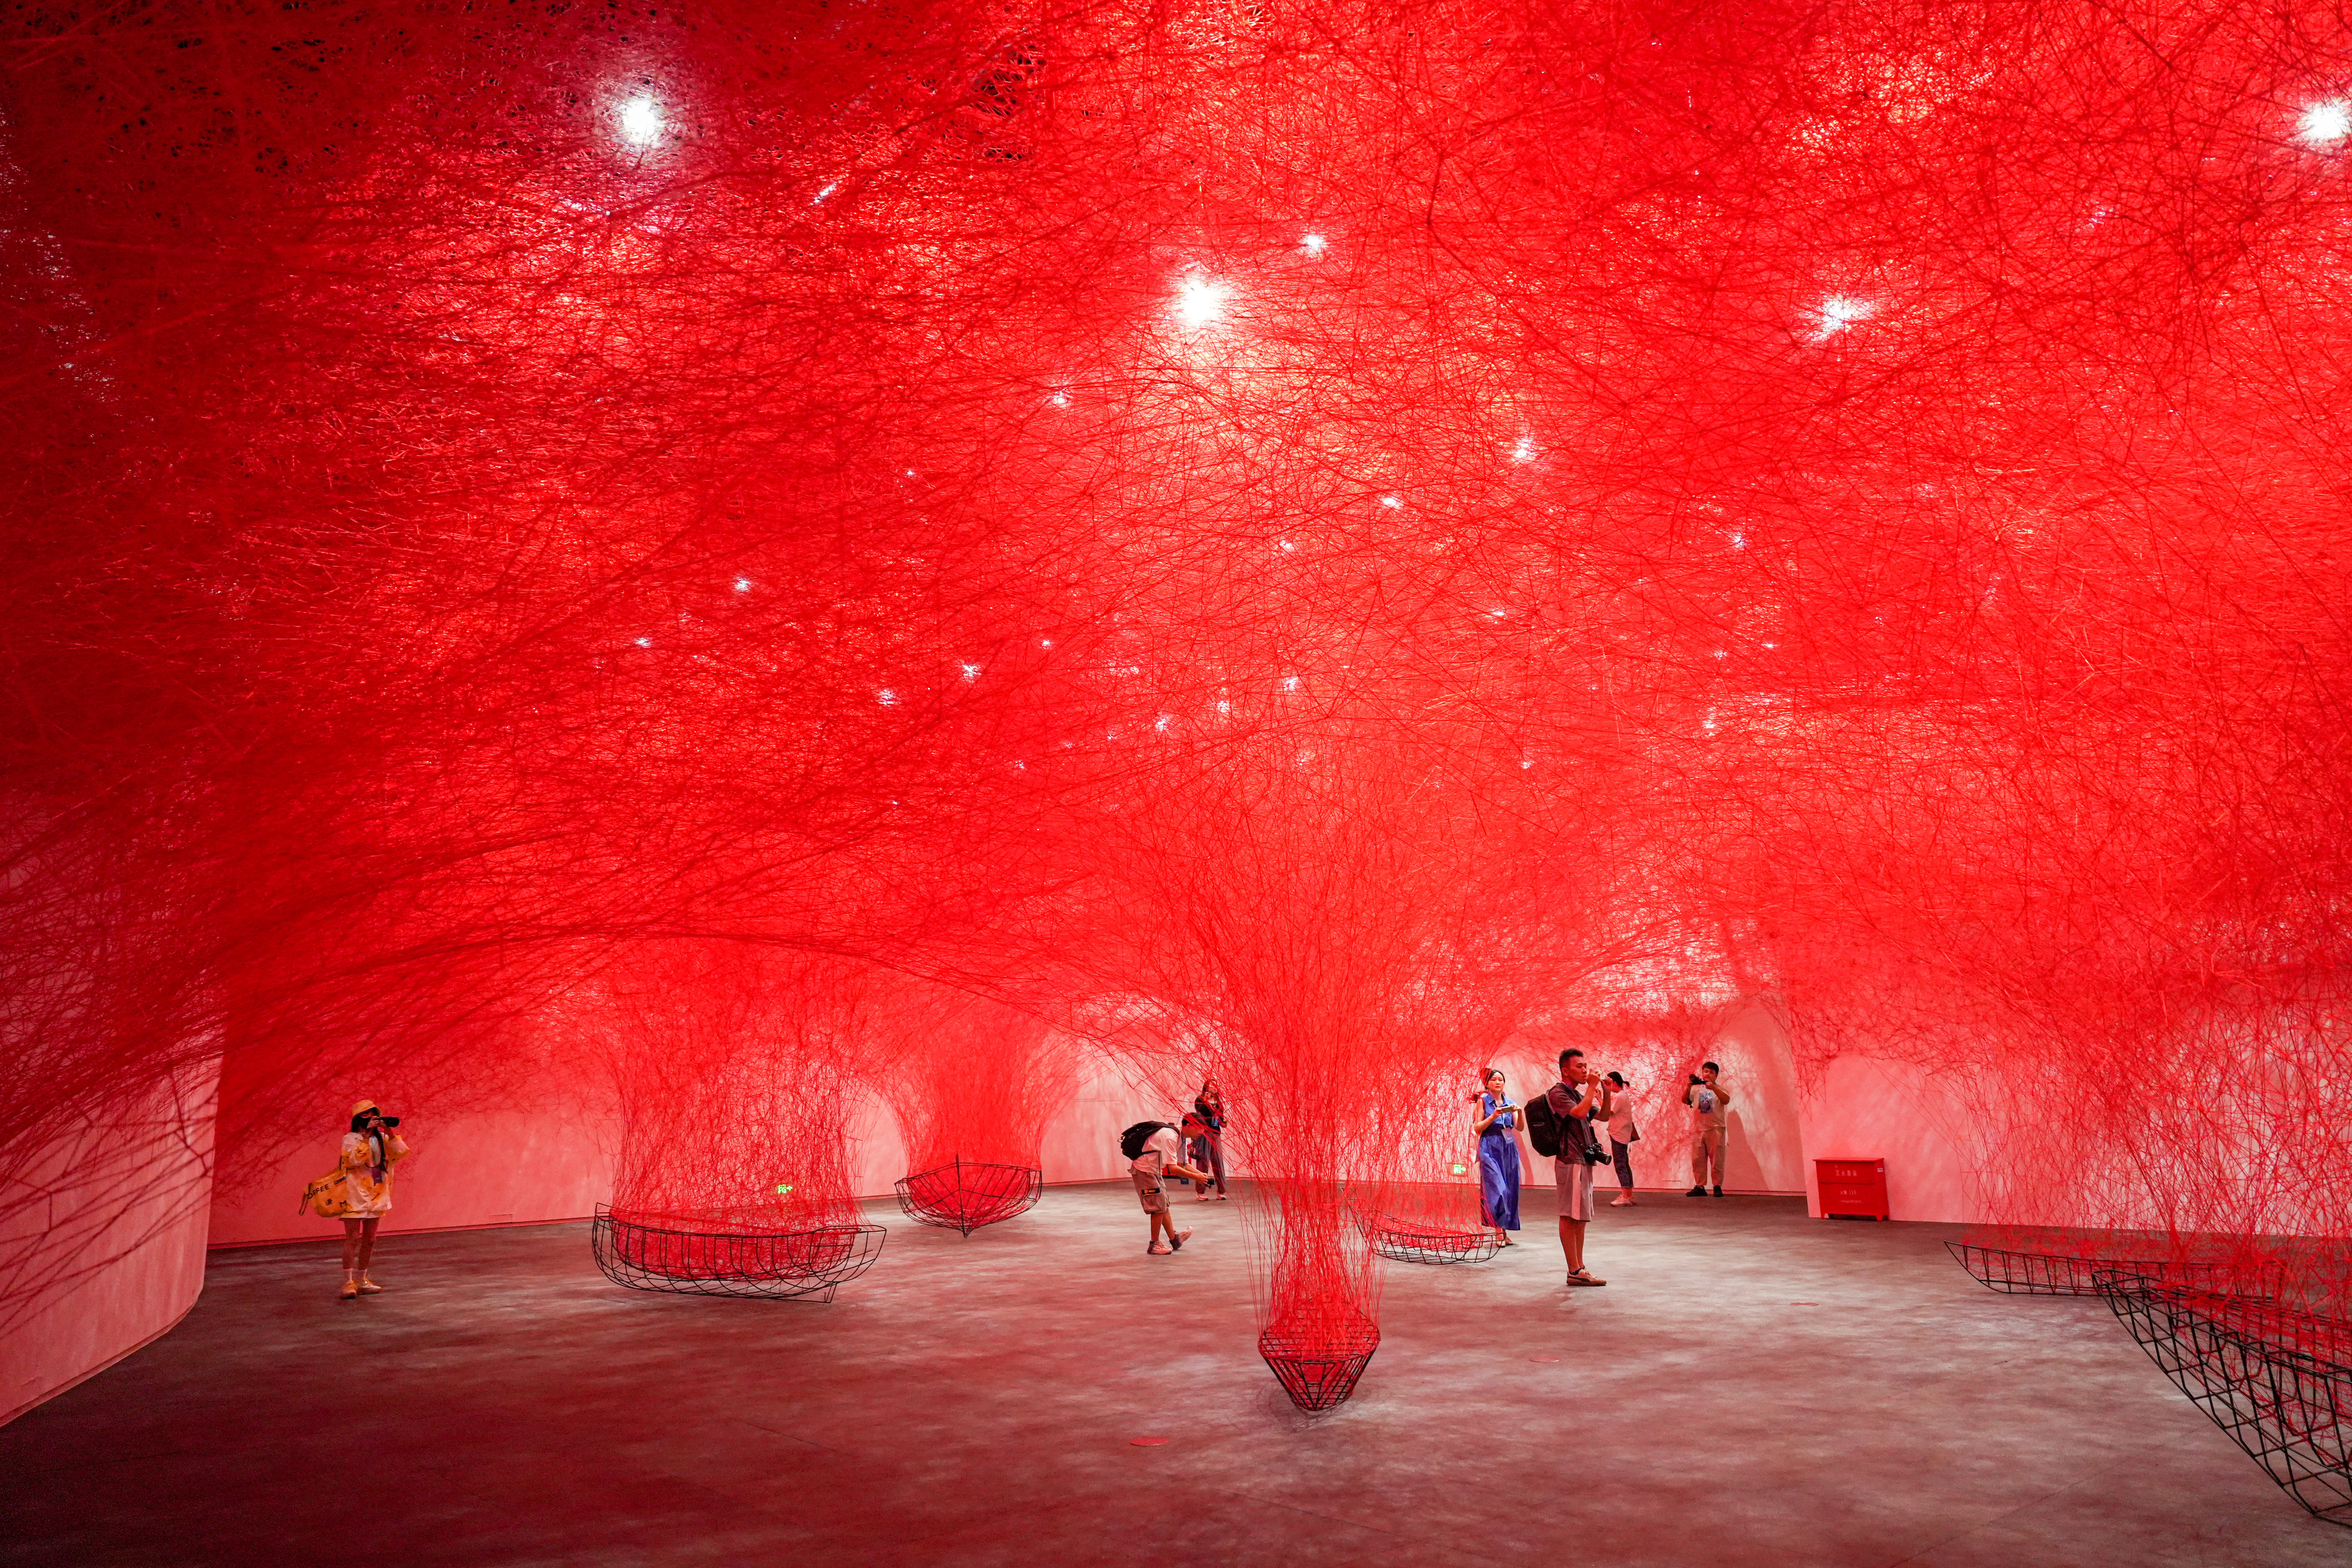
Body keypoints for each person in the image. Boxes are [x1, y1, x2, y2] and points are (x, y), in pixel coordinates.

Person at [1545, 1050, 1612, 1286]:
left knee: (1581, 1217)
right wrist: (1592, 1086)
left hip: (1583, 1160)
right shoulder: (1558, 1093)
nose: (1585, 1071)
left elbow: (1604, 1116)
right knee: (1569, 1215)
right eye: (1580, 1067)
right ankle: (1574, 1270)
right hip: (1570, 1160)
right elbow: (1580, 1113)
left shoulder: (1576, 1094)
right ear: (1565, 1070)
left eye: (1586, 1066)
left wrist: (1606, 1092)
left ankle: (1580, 1268)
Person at [337, 1099, 410, 1301]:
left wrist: (390, 1132)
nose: (371, 1118)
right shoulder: (350, 1139)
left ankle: (362, 1280)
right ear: (357, 1119)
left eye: (373, 1115)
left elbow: (402, 1152)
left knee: (370, 1240)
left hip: (377, 1193)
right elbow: (354, 1159)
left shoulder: (383, 1139)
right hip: (354, 1194)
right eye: (365, 1115)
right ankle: (348, 1282)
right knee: (352, 1238)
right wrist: (366, 1136)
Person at [1129, 1121, 1215, 1255]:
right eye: (1199, 1128)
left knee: (1163, 1204)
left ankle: (1175, 1239)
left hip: (1154, 1170)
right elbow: (1173, 1169)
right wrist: (1197, 1178)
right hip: (1145, 1170)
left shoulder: (1182, 1138)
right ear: (1189, 1126)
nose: (1201, 1132)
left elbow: (1184, 1164)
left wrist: (1201, 1175)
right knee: (1158, 1207)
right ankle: (1154, 1245)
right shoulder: (1171, 1136)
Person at [1469, 1067, 1531, 1242]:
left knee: (1510, 1190)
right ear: (1487, 1083)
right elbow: (1478, 1128)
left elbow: (1519, 1127)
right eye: (1494, 1080)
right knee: (1498, 1189)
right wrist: (1493, 1116)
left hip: (1508, 1147)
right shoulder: (1483, 1101)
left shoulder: (1510, 1103)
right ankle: (1498, 1231)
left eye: (1501, 1080)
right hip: (1490, 1147)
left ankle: (1502, 1231)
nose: (1498, 1082)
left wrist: (1520, 1113)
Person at [1684, 1061, 1733, 1197]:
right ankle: (1700, 1187)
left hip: (1716, 1129)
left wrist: (1714, 1089)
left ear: (1716, 1076)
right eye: (1706, 1071)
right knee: (1698, 1160)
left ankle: (1717, 1186)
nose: (1708, 1074)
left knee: (1717, 1160)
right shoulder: (1696, 1089)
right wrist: (1688, 1087)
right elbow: (1685, 1100)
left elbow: (1726, 1100)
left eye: (1711, 1072)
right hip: (1699, 1129)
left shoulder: (1720, 1089)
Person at [1601, 1070, 1640, 1206]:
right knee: (1624, 1164)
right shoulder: (1622, 1096)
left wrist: (1600, 1097)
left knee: (1620, 1165)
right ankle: (1629, 1195)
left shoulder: (1619, 1097)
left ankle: (1625, 1196)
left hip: (1619, 1134)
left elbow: (1608, 1112)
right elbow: (1609, 1110)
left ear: (1614, 1083)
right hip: (1622, 1134)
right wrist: (1600, 1098)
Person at [1191, 1078, 1229, 1198]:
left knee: (1218, 1162)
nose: (1214, 1088)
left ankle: (1221, 1191)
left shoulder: (1218, 1102)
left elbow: (1220, 1116)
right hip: (1204, 1133)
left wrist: (1224, 1121)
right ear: (1206, 1087)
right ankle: (1201, 1191)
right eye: (1211, 1085)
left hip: (1216, 1133)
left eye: (1215, 1086)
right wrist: (1206, 1101)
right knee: (1203, 1162)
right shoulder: (1200, 1100)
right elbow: (1202, 1112)